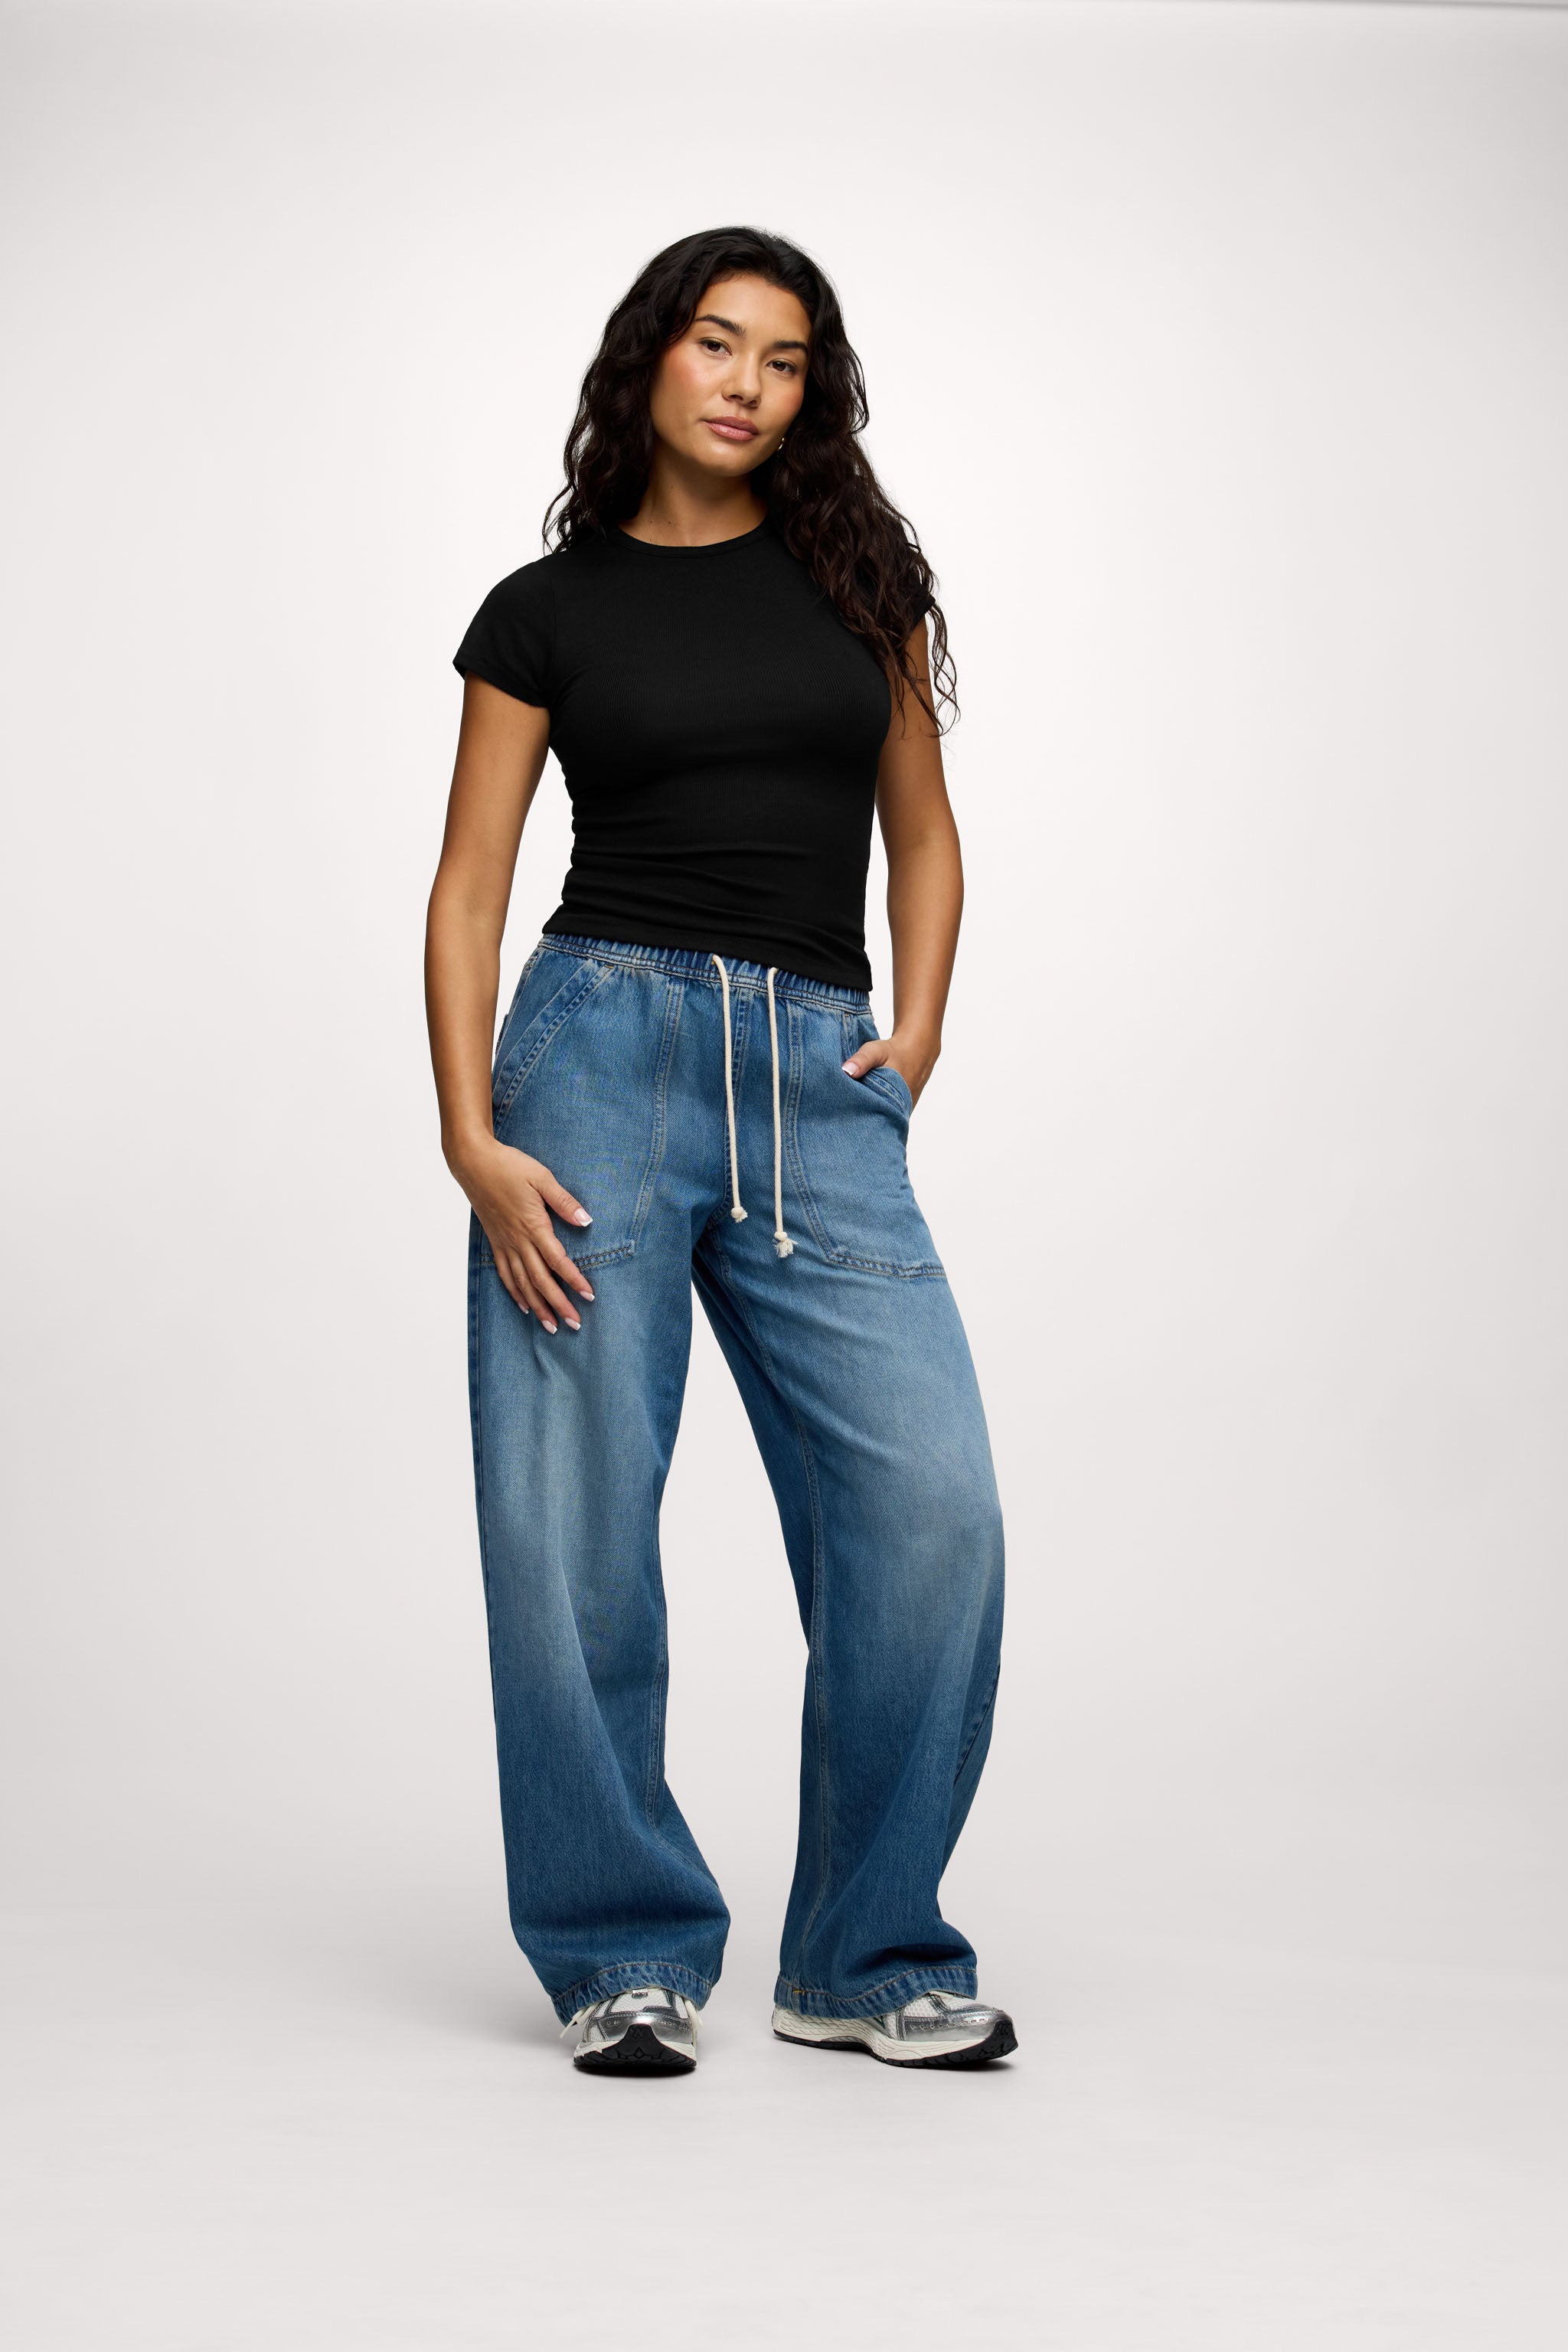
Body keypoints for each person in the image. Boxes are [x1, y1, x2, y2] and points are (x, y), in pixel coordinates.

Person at [424, 227, 1012, 2075]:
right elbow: (467, 888)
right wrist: (469, 1137)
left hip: (813, 1082)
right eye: (716, 341)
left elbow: (923, 835)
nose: (749, 380)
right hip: (592, 1065)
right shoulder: (546, 611)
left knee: (930, 1517)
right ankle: (619, 1945)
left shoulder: (863, 591)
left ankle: (861, 1952)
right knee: (570, 1530)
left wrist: (907, 1038)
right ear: (651, 362)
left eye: (786, 356)